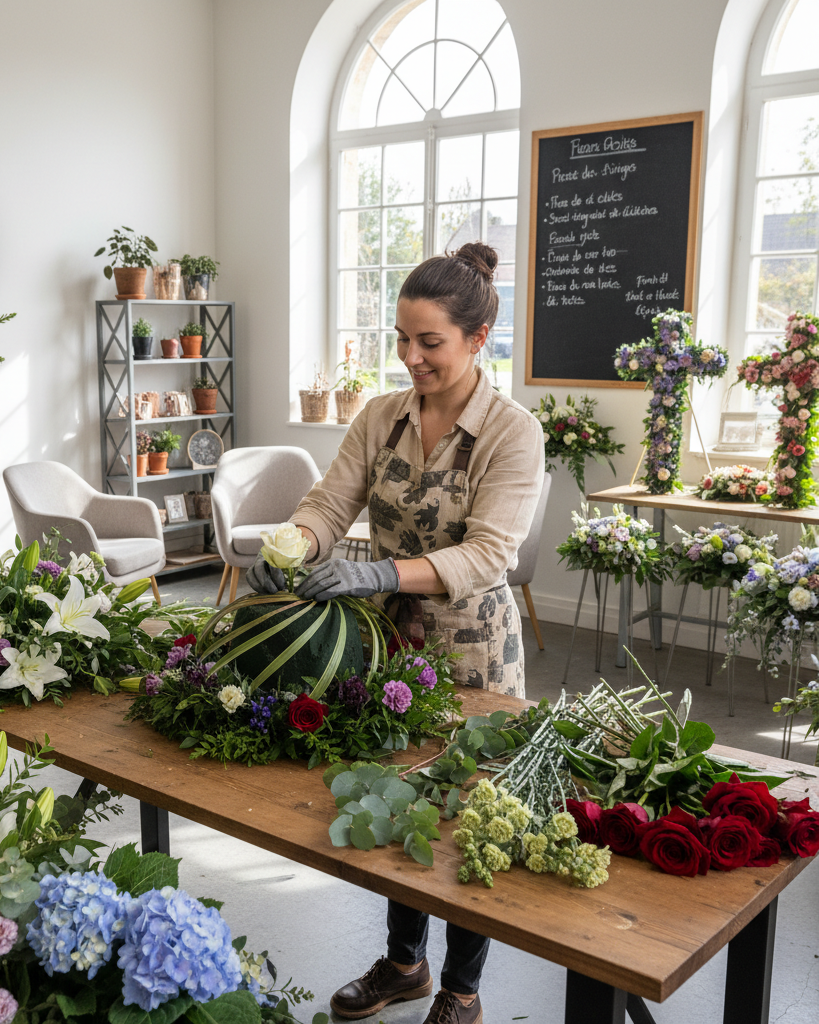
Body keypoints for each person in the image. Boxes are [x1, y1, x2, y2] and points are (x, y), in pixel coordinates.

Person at [247, 241, 544, 1024]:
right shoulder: (381, 416)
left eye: (430, 343)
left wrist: (379, 574)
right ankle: (405, 964)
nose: (411, 358)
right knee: (392, 794)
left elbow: (490, 553)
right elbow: (328, 503)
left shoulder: (512, 434)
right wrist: (290, 548)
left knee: (470, 809)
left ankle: (463, 987)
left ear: (478, 338)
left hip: (475, 654)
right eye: (402, 340)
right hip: (389, 649)